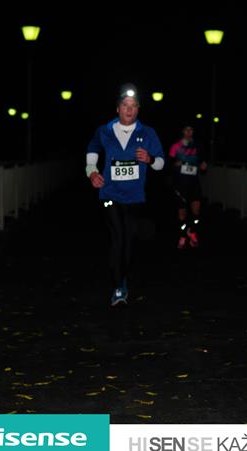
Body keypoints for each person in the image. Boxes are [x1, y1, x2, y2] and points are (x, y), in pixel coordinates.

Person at [85, 84, 165, 306]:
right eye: (125, 105)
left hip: (135, 197)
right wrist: (92, 172)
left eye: (133, 106)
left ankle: (123, 279)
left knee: (128, 241)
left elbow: (161, 163)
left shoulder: (147, 133)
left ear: (138, 109)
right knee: (117, 237)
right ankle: (118, 287)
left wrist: (149, 159)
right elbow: (92, 150)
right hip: (109, 194)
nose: (129, 110)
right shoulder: (105, 130)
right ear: (118, 109)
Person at [169, 125, 207, 249]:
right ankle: (182, 237)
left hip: (194, 183)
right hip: (180, 184)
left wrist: (203, 165)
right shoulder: (175, 146)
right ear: (182, 131)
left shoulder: (198, 146)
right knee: (182, 214)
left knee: (196, 212)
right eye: (187, 129)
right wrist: (175, 164)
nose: (189, 132)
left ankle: (193, 232)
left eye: (191, 130)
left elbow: (202, 162)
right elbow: (168, 163)